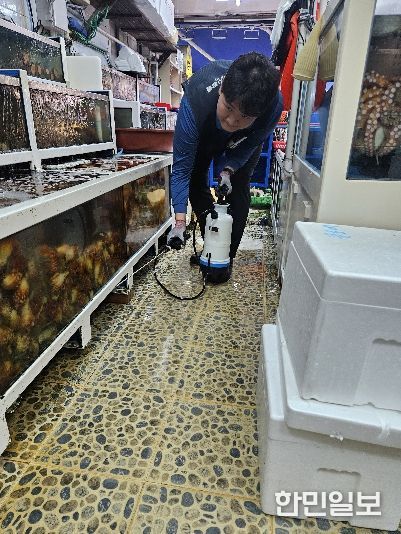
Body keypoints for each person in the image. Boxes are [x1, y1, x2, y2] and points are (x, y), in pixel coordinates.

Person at [167, 51, 282, 282]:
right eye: (228, 107)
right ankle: (212, 247)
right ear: (221, 90)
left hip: (244, 141)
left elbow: (252, 144)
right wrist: (179, 223)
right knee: (195, 180)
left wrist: (229, 169)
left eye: (244, 116)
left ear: (258, 114)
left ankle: (225, 257)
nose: (231, 121)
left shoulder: (272, 107)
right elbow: (181, 169)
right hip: (205, 132)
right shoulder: (198, 95)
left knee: (238, 186)